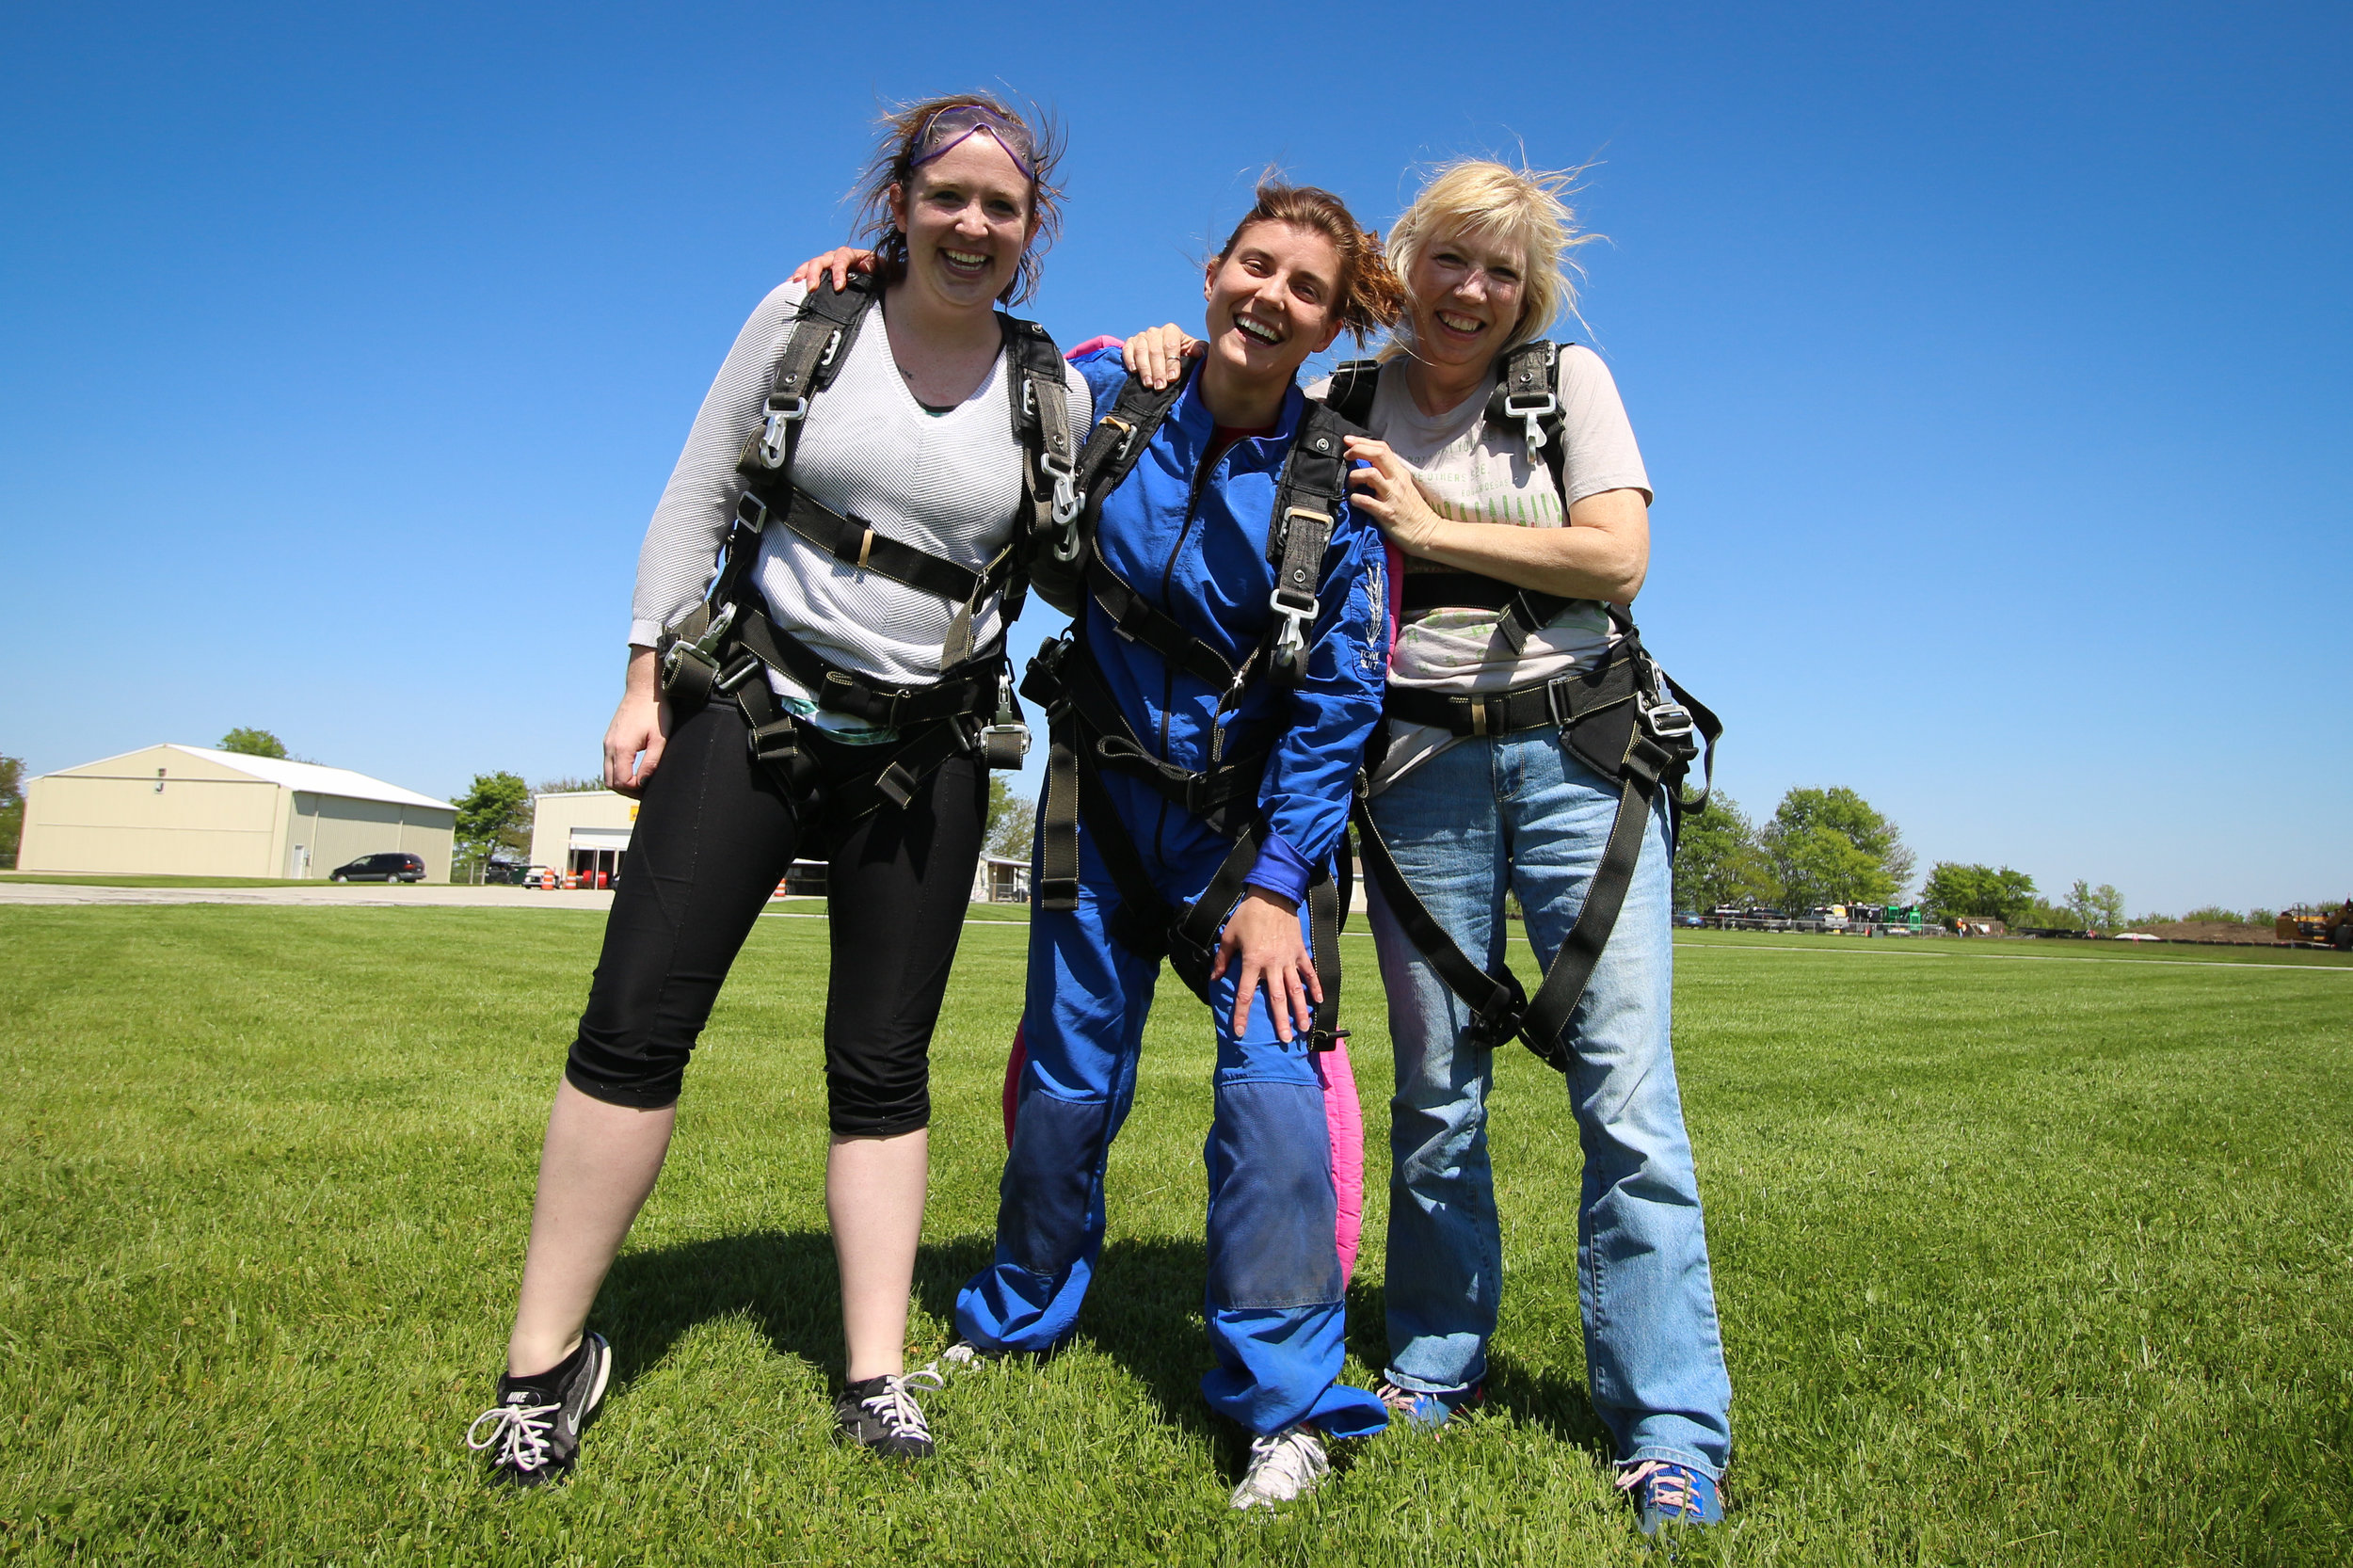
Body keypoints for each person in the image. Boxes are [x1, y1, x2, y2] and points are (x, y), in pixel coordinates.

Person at [463, 94, 1091, 1486]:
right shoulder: (810, 320)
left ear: (1030, 231)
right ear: (901, 202)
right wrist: (641, 679)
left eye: (1002, 206)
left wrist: (1154, 352)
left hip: (927, 747)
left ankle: (874, 1375)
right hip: (750, 704)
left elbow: (1079, 545)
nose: (973, 224)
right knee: (631, 1027)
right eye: (949, 197)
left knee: (883, 1063)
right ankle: (539, 1366)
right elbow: (693, 493)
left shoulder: (1057, 389)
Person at [1119, 160, 1734, 1533]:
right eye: (1451, 260)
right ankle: (1433, 1362)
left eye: (1502, 272)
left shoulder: (1565, 384)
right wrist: (1145, 344)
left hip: (1578, 755)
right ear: (1410, 265)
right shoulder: (1345, 398)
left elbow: (1618, 560)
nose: (1472, 292)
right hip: (1411, 771)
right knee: (1436, 1097)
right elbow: (1214, 386)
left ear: (1532, 290)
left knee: (1626, 1105)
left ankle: (1671, 1428)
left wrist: (1437, 525)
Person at [805, 180, 1404, 1509]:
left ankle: (1287, 1398)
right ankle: (1017, 1311)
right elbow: (962, 349)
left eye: (1305, 288)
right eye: (1256, 267)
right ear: (1211, 272)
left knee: (1268, 1090)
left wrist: (1274, 884)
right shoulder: (1108, 395)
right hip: (1096, 811)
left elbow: (1342, 700)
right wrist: (857, 274)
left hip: (1250, 844)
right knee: (1067, 1084)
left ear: (1331, 325)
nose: (1271, 297)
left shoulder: (1340, 489)